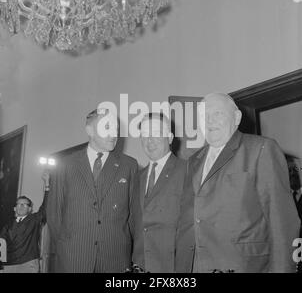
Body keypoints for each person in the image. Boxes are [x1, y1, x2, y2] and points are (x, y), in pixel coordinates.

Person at [175, 92, 300, 273]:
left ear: (236, 117)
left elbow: (283, 223)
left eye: (217, 113)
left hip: (244, 266)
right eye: (204, 116)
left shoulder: (261, 149)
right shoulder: (193, 160)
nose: (209, 121)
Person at [46, 107, 138, 273]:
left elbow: (133, 215)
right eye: (107, 128)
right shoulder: (66, 165)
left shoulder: (129, 165)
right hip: (73, 258)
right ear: (90, 130)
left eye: (116, 129)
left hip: (115, 259)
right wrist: (66, 246)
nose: (114, 134)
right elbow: (54, 214)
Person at [132, 113, 187, 272]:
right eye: (144, 135)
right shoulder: (137, 177)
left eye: (156, 133)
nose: (149, 140)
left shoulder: (188, 171)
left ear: (170, 138)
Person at [0, 171, 50, 273]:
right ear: (14, 208)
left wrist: (47, 185)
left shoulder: (34, 219)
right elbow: (1, 243)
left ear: (30, 209)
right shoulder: (7, 225)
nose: (21, 206)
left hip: (28, 264)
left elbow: (45, 207)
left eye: (25, 204)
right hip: (8, 265)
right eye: (19, 204)